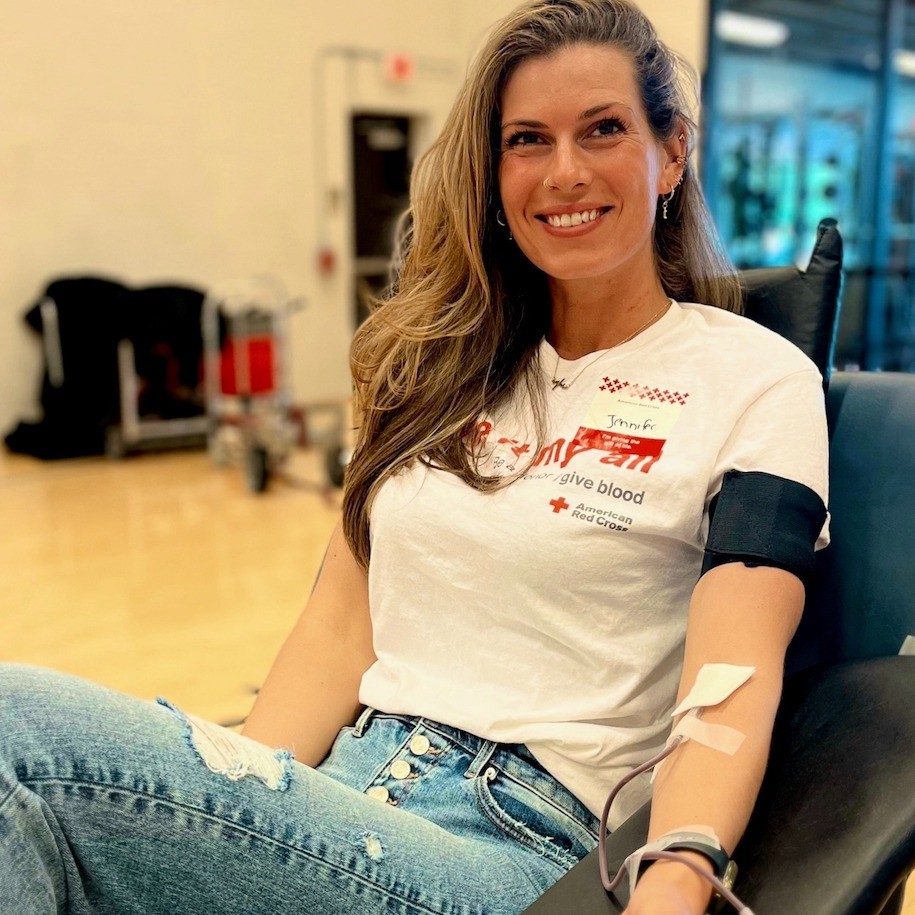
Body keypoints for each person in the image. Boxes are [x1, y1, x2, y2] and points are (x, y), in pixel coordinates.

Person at [0, 1, 829, 913]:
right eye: (525, 140)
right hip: (342, 804)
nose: (563, 171)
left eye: (602, 129)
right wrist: (235, 804)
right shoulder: (436, 368)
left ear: (669, 153)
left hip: (520, 841)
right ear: (492, 172)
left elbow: (729, 682)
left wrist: (672, 877)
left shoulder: (756, 379)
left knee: (16, 731)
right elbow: (336, 634)